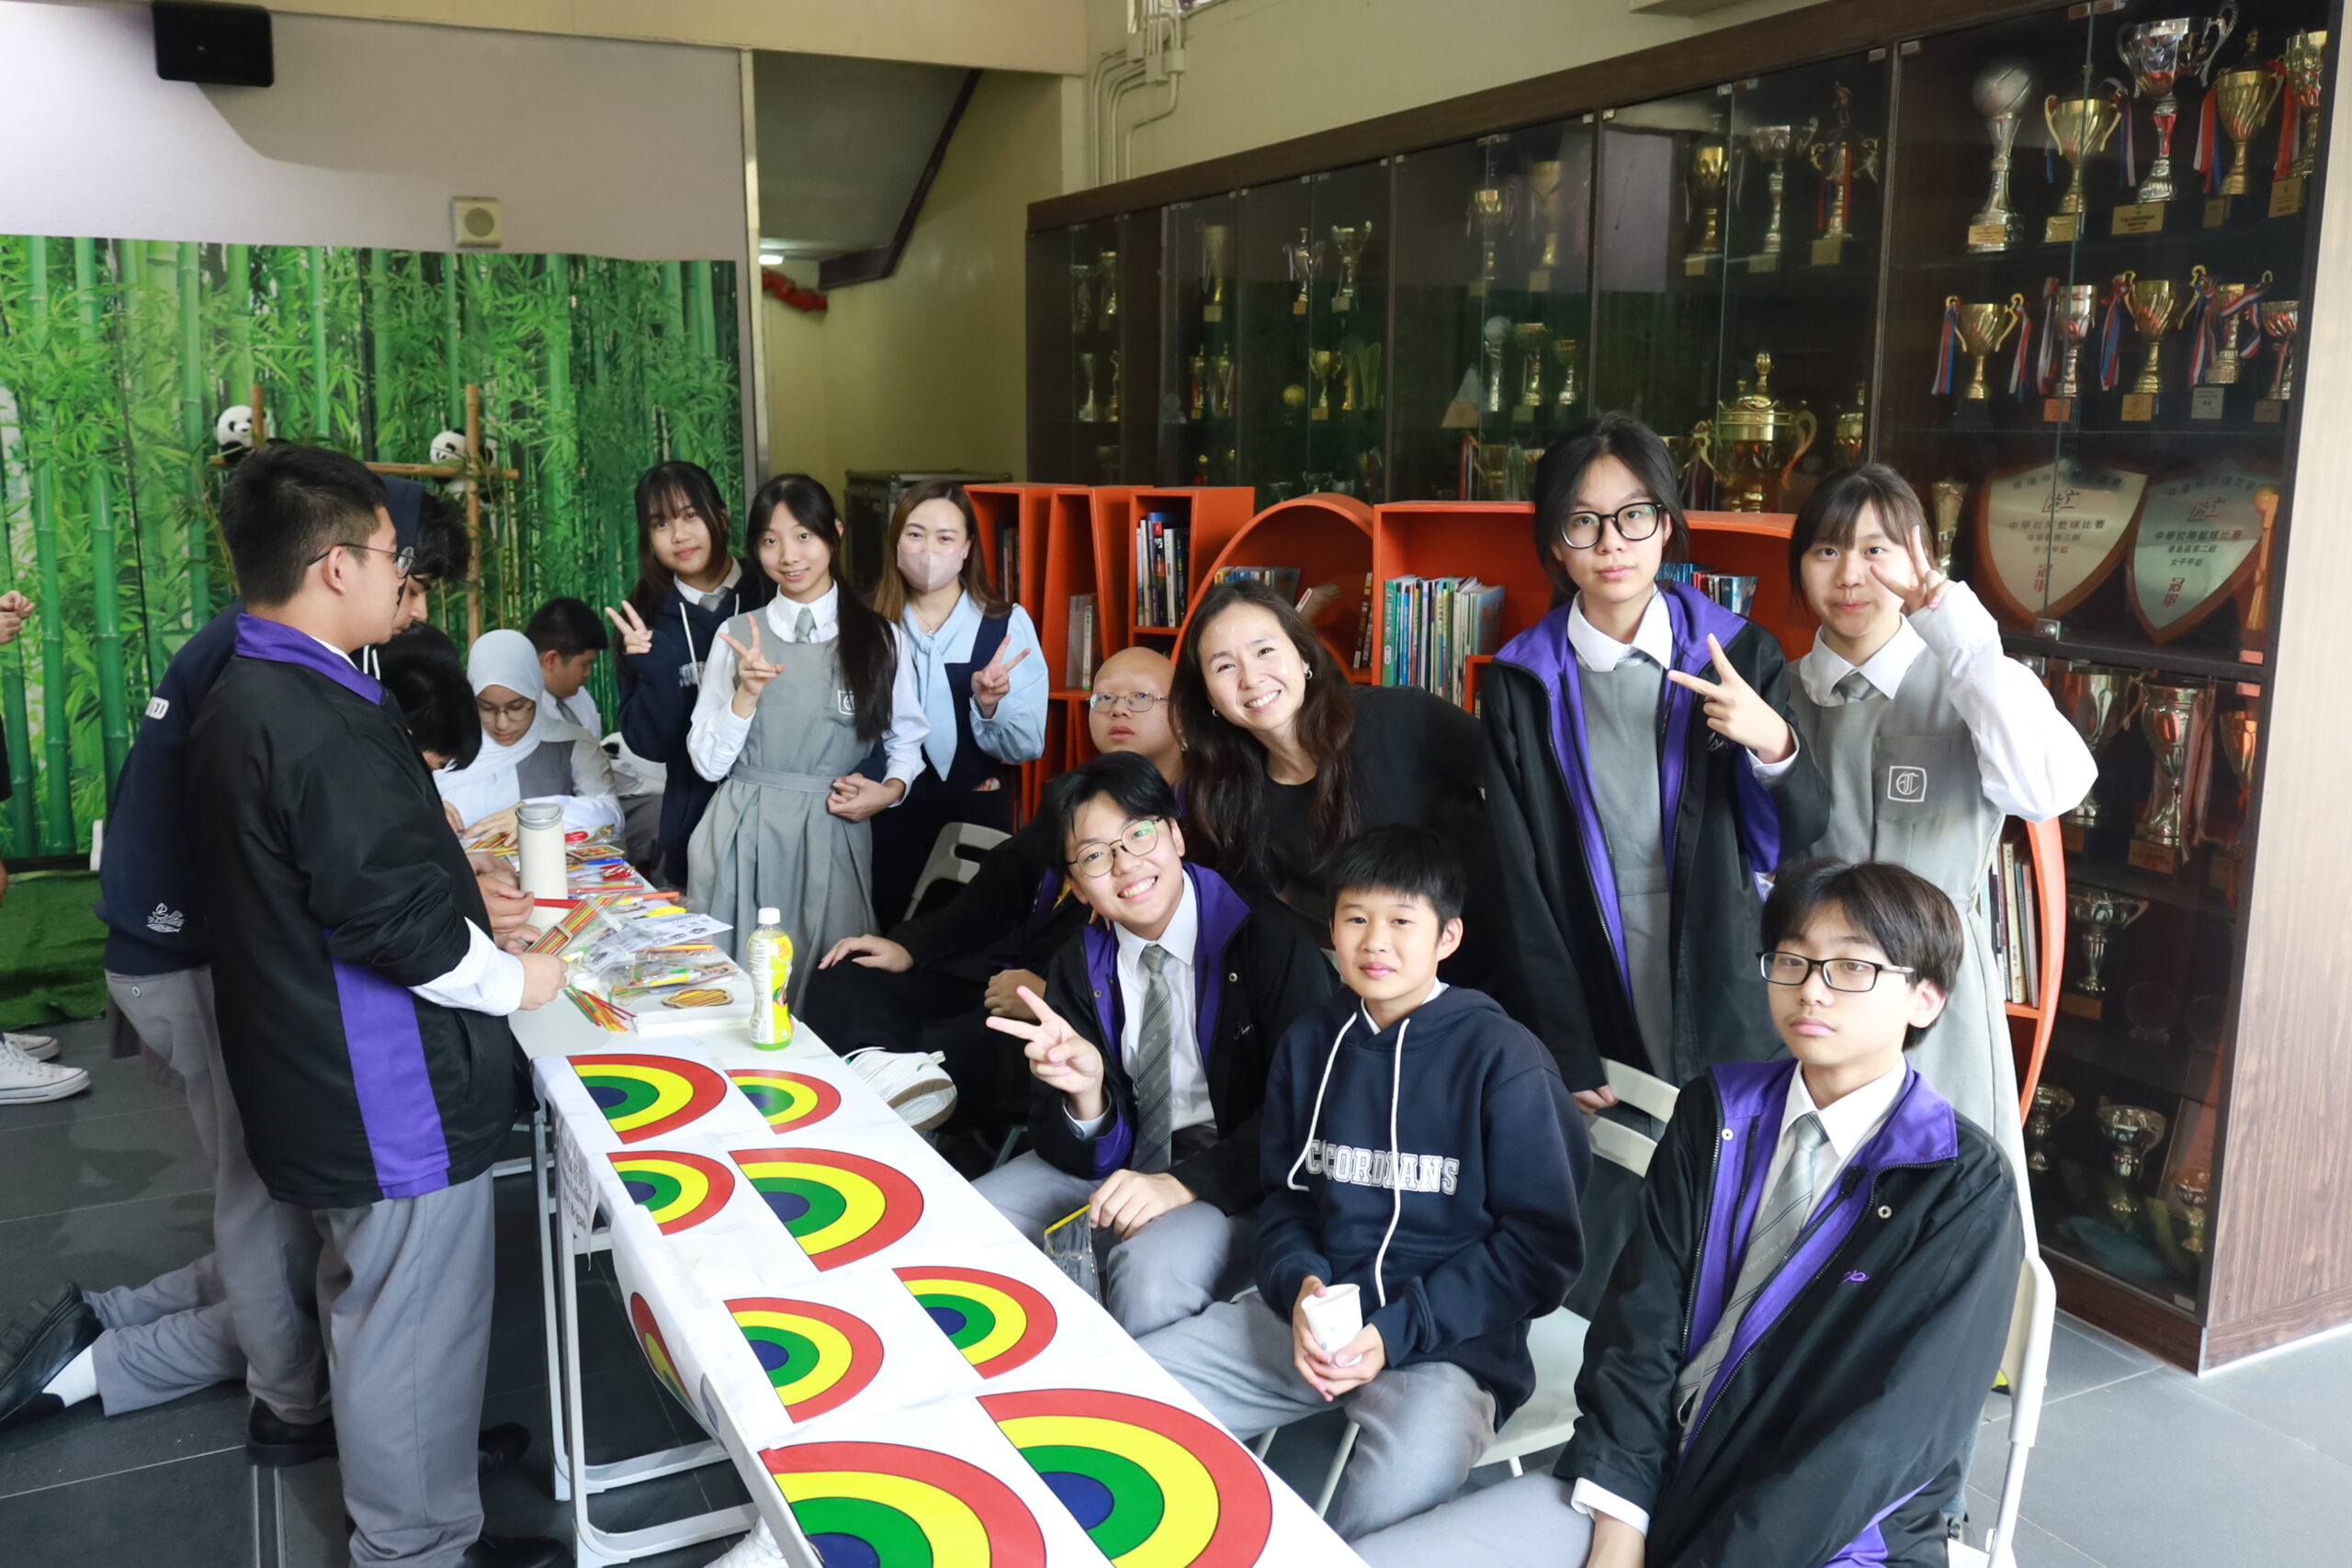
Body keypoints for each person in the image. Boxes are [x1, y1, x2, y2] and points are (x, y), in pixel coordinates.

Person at [0, 478, 528, 1464]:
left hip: (216, 950)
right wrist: (491, 961)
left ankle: (165, 1337)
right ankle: (286, 1400)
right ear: (341, 564)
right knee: (271, 1206)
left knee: (304, 1215)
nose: (411, 608)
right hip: (194, 956)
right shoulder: (280, 683)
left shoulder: (273, 660)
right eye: (408, 579)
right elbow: (339, 870)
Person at [1353, 859, 2026, 1568]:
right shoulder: (1717, 1111)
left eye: (1852, 967)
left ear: (1926, 997)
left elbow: (1883, 1440)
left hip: (1823, 1543)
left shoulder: (1959, 1184)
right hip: (1652, 1481)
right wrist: (1621, 1518)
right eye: (1792, 960)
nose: (1811, 988)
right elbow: (1638, 1323)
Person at [181, 443, 563, 1568]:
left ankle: (423, 1513)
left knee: (383, 1314)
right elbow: (390, 926)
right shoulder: (312, 717)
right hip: (384, 1087)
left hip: (319, 1068)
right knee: (407, 1323)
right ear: (336, 565)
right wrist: (521, 979)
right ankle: (415, 1547)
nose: (406, 581)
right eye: (396, 557)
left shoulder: (256, 688)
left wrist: (461, 893)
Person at [1141, 826, 1586, 1542]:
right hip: (1316, 1324)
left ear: (1447, 936)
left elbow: (1541, 1249)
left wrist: (1398, 1329)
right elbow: (1289, 1197)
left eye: (1402, 921)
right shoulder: (1312, 1042)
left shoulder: (1504, 1059)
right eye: (1355, 918)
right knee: (1132, 1395)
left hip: (1450, 1344)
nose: (1375, 941)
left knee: (1385, 1514)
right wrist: (1300, 1288)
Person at [1482, 413, 1830, 1310]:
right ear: (1554, 544)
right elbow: (1519, 877)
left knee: (1733, 1174)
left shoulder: (1736, 651)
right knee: (1621, 1186)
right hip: (1594, 960)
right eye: (1583, 521)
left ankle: (1729, 1353)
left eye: (1633, 516)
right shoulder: (1520, 680)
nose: (1611, 543)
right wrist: (1561, 1042)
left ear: (1667, 526)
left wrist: (1773, 741)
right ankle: (1627, 1359)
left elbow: (1803, 830)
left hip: (1719, 951)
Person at [1785, 465, 2092, 1163]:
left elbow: (2050, 790)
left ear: (1920, 558)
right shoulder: (1778, 691)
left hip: (1933, 995)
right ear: (1800, 566)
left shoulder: (1970, 676)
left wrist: (1963, 638)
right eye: (1827, 550)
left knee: (1940, 1197)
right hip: (1813, 995)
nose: (1851, 575)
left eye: (1876, 550)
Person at [974, 751, 1337, 1337]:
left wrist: (1182, 1183)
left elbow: (1308, 1114)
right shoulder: (1078, 963)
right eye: (1095, 855)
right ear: (1076, 886)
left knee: (1148, 1275)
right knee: (973, 1220)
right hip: (1123, 1161)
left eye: (1139, 834)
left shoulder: (1269, 943)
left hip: (1240, 1179)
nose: (1125, 865)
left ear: (1175, 835)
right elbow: (1059, 1140)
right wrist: (1089, 1097)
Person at [804, 647, 1184, 1136]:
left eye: (1140, 698)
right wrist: (908, 945)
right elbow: (993, 891)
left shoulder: (1184, 826)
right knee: (846, 975)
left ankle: (879, 1105)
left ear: (1182, 712)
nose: (1118, 711)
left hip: (1072, 1015)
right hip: (995, 977)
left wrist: (1053, 995)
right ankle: (880, 1077)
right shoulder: (1075, 796)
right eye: (1105, 698)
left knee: (941, 1048)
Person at [1172, 575, 1509, 994]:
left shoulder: (1398, 717)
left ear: (1303, 657)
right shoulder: (1237, 795)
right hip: (1397, 993)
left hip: (1513, 958)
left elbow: (1521, 779)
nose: (1251, 677)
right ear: (1208, 696)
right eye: (1225, 666)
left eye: (1264, 651)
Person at [684, 474, 926, 1000]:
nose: (788, 556)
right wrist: (745, 695)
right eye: (770, 541)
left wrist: (888, 792)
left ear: (834, 534)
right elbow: (707, 763)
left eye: (803, 536)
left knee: (831, 989)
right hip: (741, 830)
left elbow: (907, 741)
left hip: (832, 829)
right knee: (736, 988)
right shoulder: (736, 636)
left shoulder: (881, 639)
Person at [865, 479, 1047, 926]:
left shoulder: (1005, 624)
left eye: (945, 538)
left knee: (973, 940)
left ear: (967, 549)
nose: (929, 550)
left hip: (976, 815)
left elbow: (1027, 746)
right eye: (915, 534)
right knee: (887, 936)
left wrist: (990, 707)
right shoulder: (865, 624)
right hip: (885, 817)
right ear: (896, 543)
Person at [605, 462, 775, 886]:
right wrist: (657, 671)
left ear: (722, 517)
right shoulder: (642, 620)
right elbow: (651, 747)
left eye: (690, 515)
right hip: (691, 827)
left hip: (777, 816)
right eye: (660, 523)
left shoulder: (773, 589)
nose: (678, 535)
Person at [435, 629, 624, 837]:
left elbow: (612, 814)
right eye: (487, 708)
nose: (502, 724)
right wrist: (428, 809)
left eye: (517, 707)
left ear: (535, 693)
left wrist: (541, 814)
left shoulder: (572, 744)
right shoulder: (444, 748)